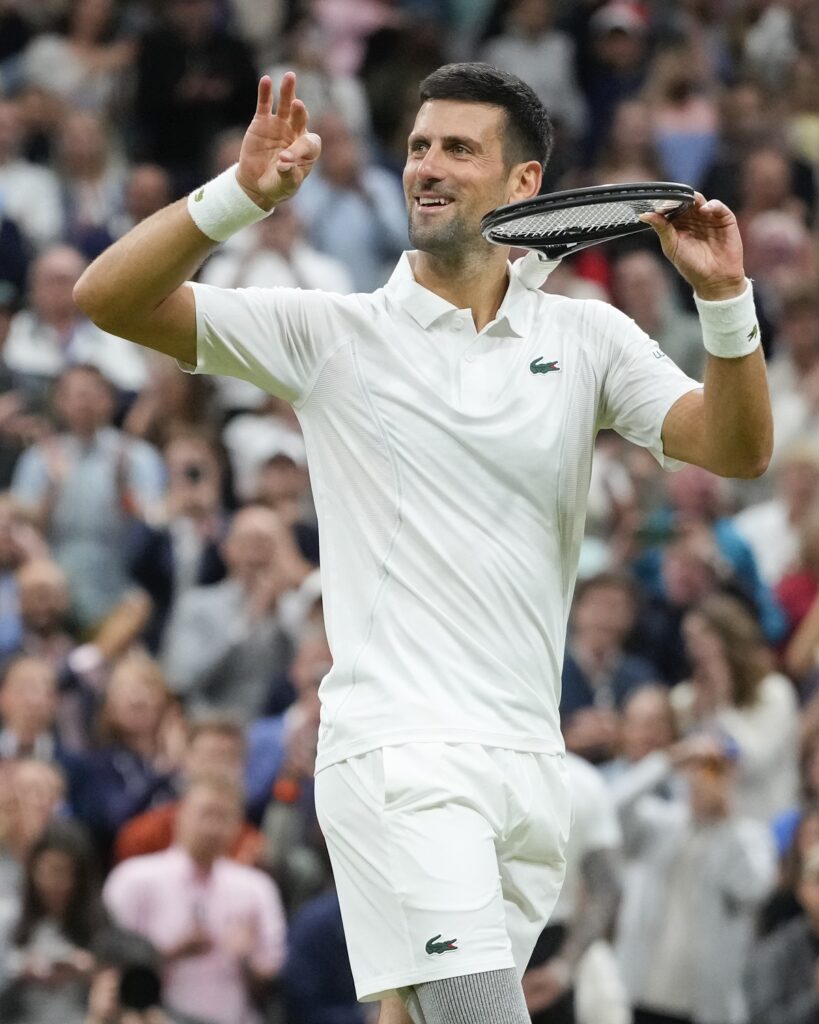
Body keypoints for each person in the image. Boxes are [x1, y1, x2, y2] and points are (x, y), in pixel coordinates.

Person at [73, 61, 772, 1024]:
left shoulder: (588, 340)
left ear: (524, 184)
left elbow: (736, 449)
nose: (425, 168)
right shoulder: (334, 335)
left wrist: (726, 301)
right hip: (400, 757)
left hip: (531, 771)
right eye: (417, 147)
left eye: (457, 148)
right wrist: (241, 194)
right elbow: (107, 298)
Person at [103, 774, 286, 1024]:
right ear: (179, 814)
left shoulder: (256, 888)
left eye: (224, 817)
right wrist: (171, 952)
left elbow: (276, 978)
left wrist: (246, 960)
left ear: (238, 825)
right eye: (206, 814)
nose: (213, 827)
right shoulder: (134, 879)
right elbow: (107, 966)